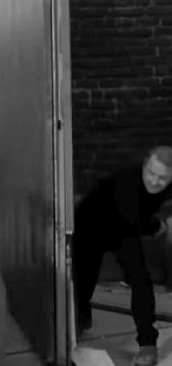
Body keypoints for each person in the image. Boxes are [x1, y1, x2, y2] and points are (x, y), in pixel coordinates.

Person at [73, 146, 172, 366]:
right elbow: (133, 221)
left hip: (127, 225)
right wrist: (155, 225)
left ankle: (147, 344)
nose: (154, 182)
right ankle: (79, 320)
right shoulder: (126, 183)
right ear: (144, 167)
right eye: (151, 174)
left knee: (139, 279)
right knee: (84, 279)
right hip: (92, 223)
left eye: (162, 178)